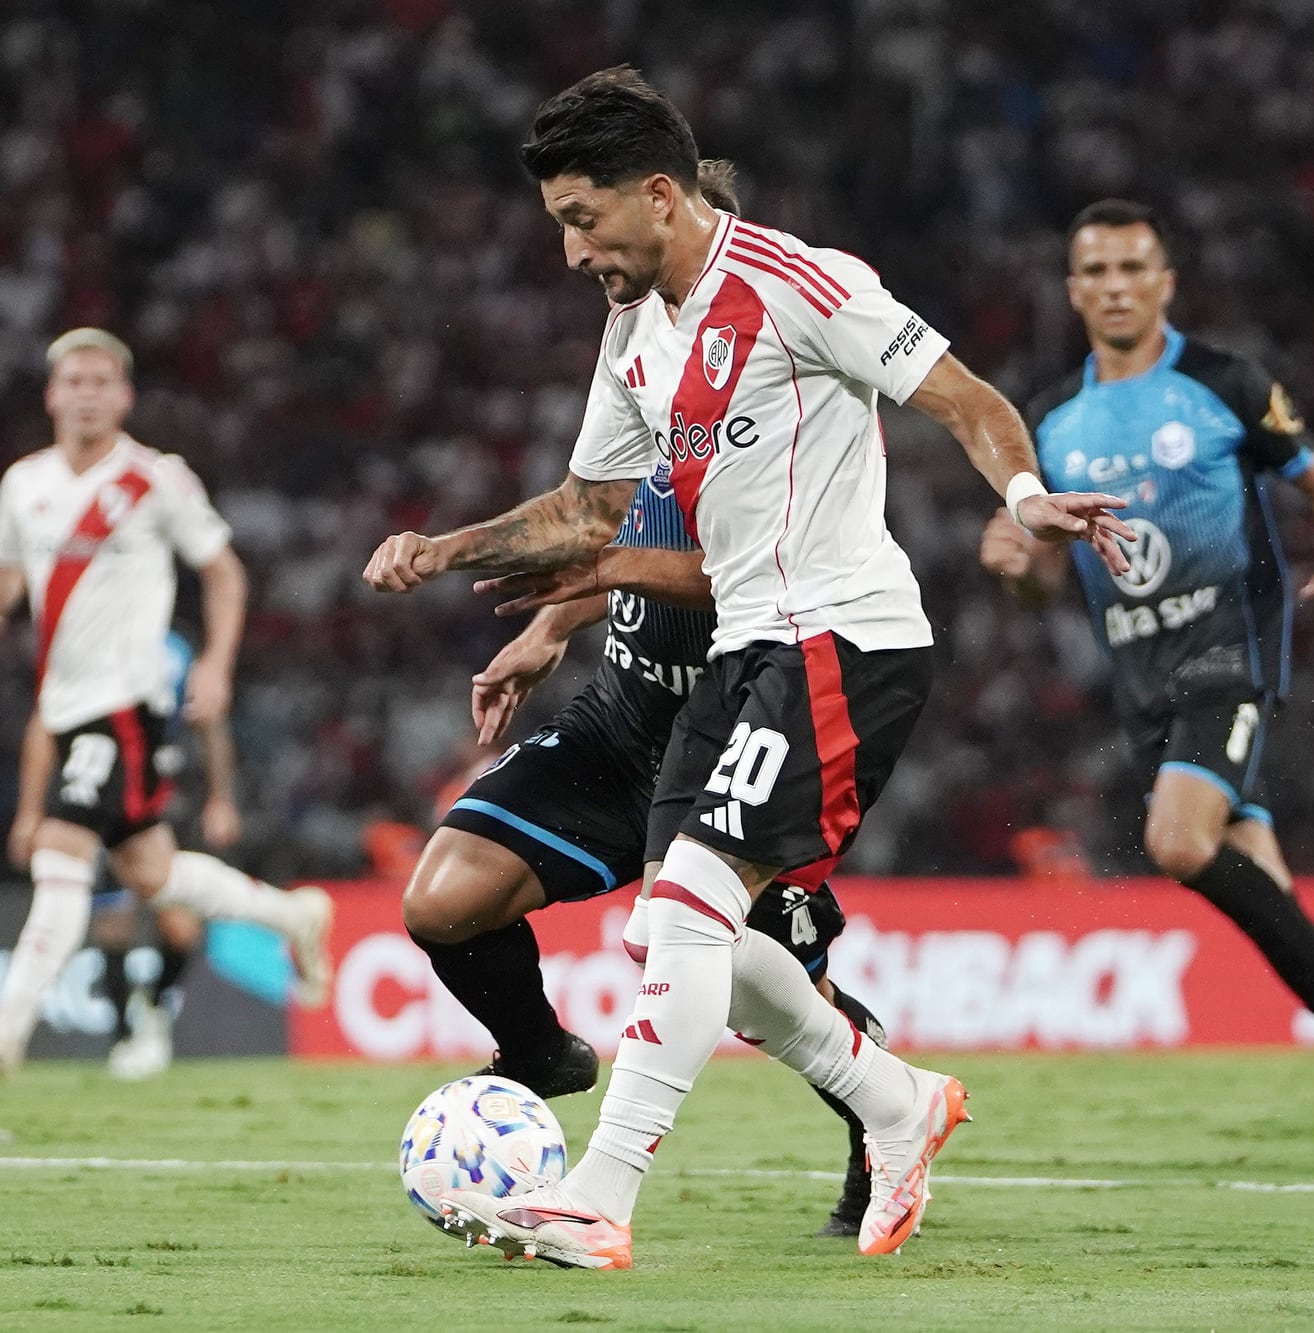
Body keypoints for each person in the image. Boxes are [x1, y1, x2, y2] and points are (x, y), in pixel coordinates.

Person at [365, 68, 1131, 1266]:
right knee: (688, 937)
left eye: (582, 219)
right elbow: (589, 510)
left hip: (842, 636)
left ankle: (599, 1196)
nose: (570, 252)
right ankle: (895, 1101)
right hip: (741, 652)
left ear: (658, 196)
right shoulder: (635, 333)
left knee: (679, 909)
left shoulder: (798, 284)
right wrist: (445, 549)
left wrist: (1025, 496)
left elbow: (962, 396)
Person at [410, 164, 891, 1228]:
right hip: (624, 716)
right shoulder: (635, 366)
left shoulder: (772, 389)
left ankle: (882, 1121)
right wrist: (548, 627)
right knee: (442, 898)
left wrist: (578, 586)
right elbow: (617, 533)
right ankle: (538, 1052)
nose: (601, 267)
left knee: (775, 996)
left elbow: (734, 569)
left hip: (739, 729)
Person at [978, 198, 1314, 1150]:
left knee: (1176, 840)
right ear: (1074, 290)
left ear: (1165, 281)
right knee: (1263, 884)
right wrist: (1017, 562)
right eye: (1098, 272)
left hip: (1228, 650)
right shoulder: (1050, 417)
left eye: (1134, 268)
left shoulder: (1223, 383)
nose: (1116, 286)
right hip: (1143, 677)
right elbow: (1045, 580)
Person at [0, 327, 335, 1077]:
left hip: (127, 702)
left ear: (124, 395)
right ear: (51, 394)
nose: (85, 393)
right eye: (72, 380)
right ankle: (292, 914)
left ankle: (5, 1029)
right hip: (66, 702)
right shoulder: (24, 484)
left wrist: (215, 662)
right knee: (152, 872)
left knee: (60, 847)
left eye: (100, 381)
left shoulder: (155, 479)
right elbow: (8, 575)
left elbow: (224, 573)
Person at [5, 624, 236, 1082]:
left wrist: (220, 797)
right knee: (114, 923)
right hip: (108, 791)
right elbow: (45, 727)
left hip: (166, 793)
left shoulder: (175, 651)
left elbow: (208, 722)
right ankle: (123, 1035)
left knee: (180, 924)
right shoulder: (88, 645)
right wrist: (30, 811)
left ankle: (154, 1007)